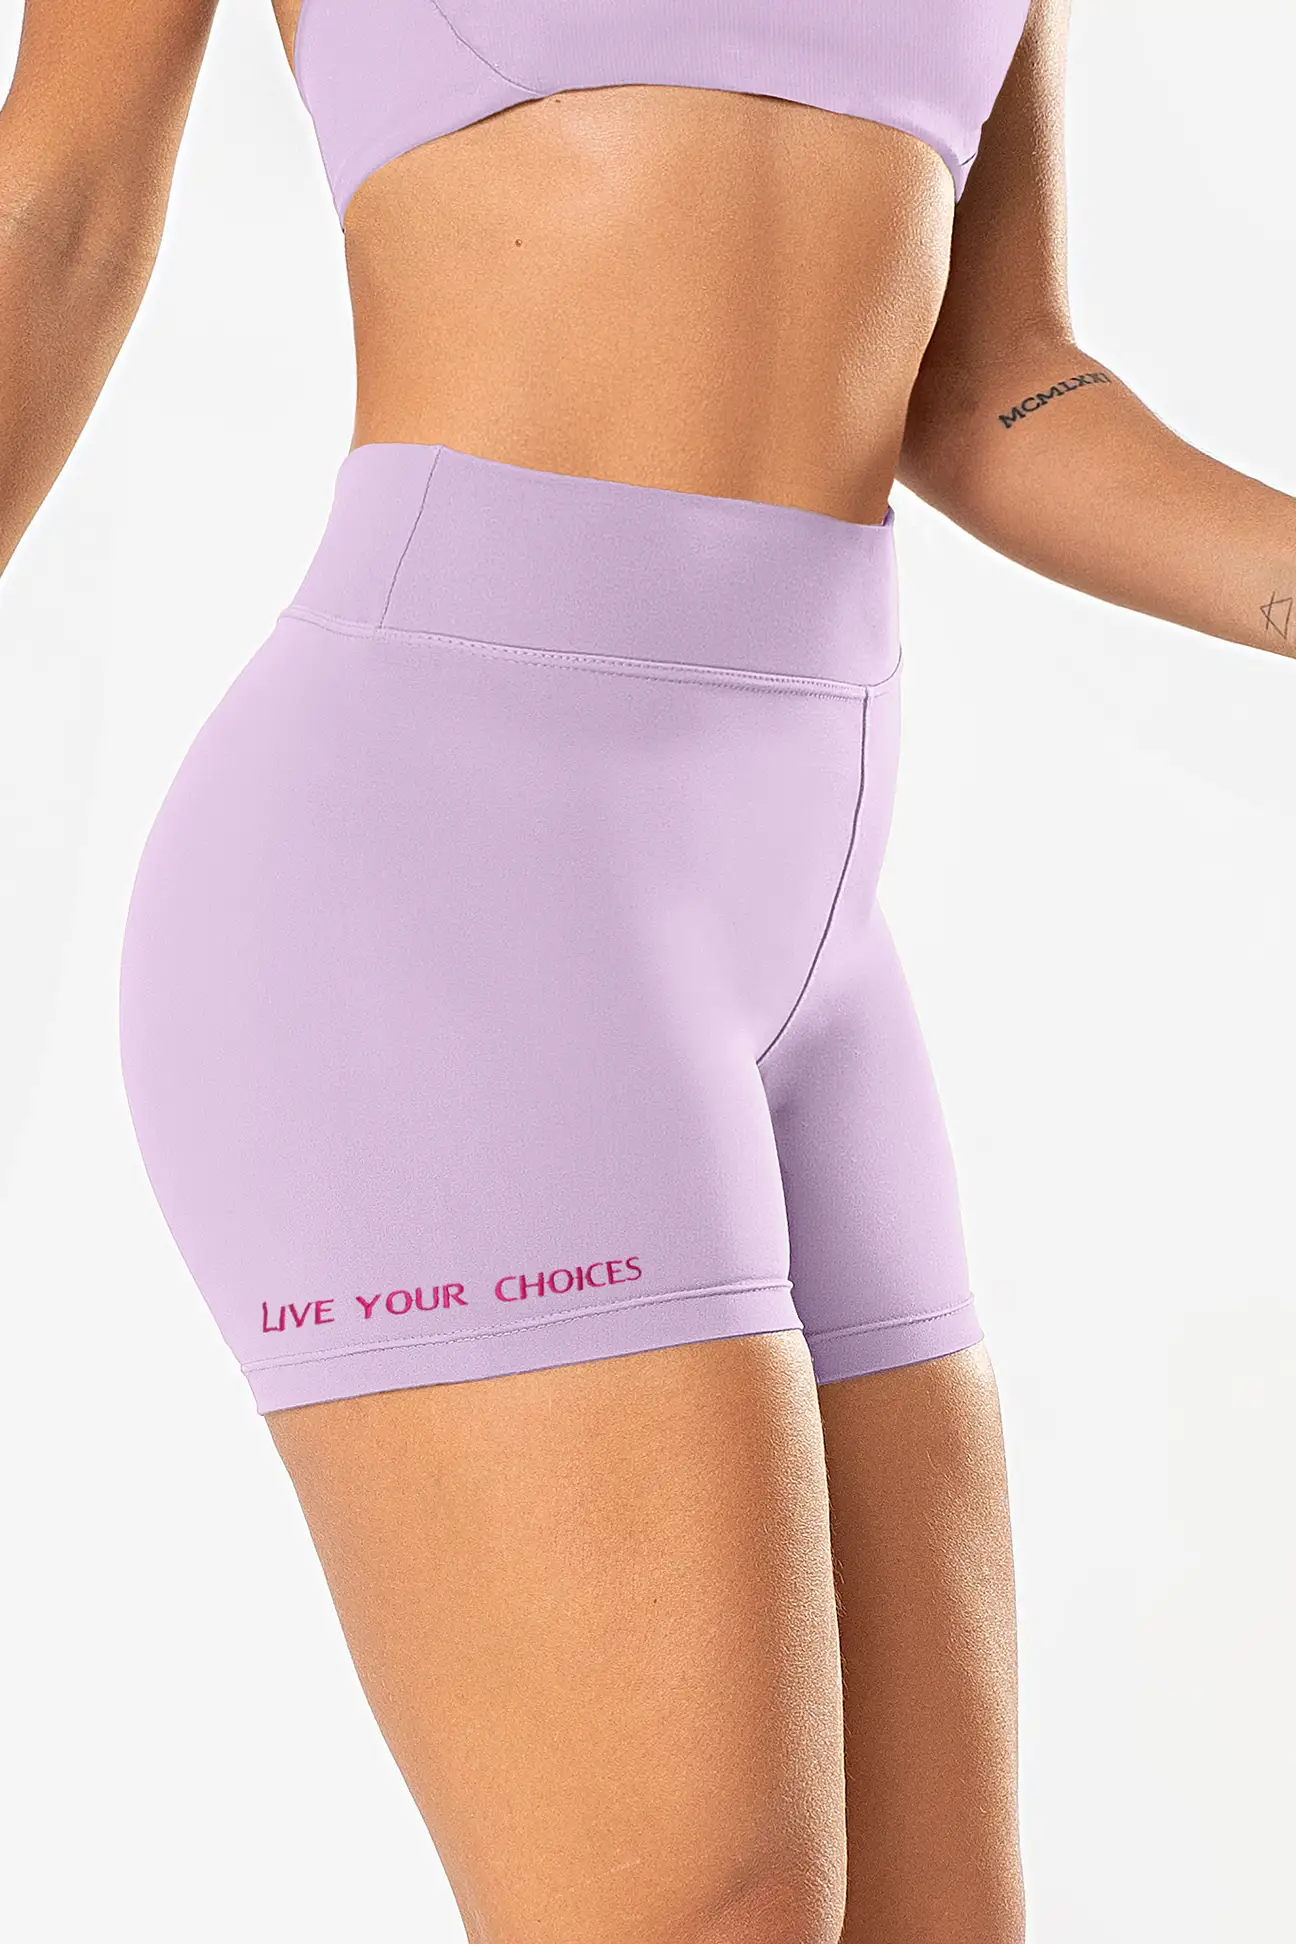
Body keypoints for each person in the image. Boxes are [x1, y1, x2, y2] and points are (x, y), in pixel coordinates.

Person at [2, 4, 1292, 1940]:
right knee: (705, 1907)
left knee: (937, 1917)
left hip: (809, 934)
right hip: (442, 883)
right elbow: (57, 220)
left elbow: (997, 384)